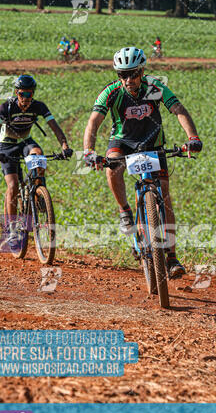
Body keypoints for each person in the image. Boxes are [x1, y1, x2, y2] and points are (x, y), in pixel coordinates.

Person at [83, 46, 202, 279]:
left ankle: (171, 257)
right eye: (122, 75)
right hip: (123, 141)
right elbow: (93, 122)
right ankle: (124, 210)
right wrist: (89, 151)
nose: (128, 79)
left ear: (142, 71)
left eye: (133, 73)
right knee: (113, 166)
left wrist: (193, 138)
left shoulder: (154, 88)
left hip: (152, 143)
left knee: (165, 198)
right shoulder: (111, 92)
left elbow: (177, 109)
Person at [0, 74, 73, 249]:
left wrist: (64, 146)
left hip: (26, 142)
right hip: (7, 146)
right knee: (12, 186)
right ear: (16, 93)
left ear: (33, 94)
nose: (25, 99)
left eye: (29, 94)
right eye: (22, 94)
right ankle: (11, 229)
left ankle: (38, 191)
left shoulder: (38, 106)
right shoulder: (6, 107)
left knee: (38, 154)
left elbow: (54, 126)